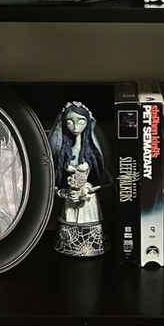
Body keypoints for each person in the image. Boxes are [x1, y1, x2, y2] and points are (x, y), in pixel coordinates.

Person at [49, 101, 110, 256]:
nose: (75, 127)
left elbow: (103, 178)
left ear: (87, 123)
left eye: (80, 122)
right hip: (70, 198)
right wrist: (63, 192)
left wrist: (89, 189)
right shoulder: (64, 150)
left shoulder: (91, 150)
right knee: (70, 227)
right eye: (70, 122)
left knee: (89, 225)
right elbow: (55, 181)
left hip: (88, 197)